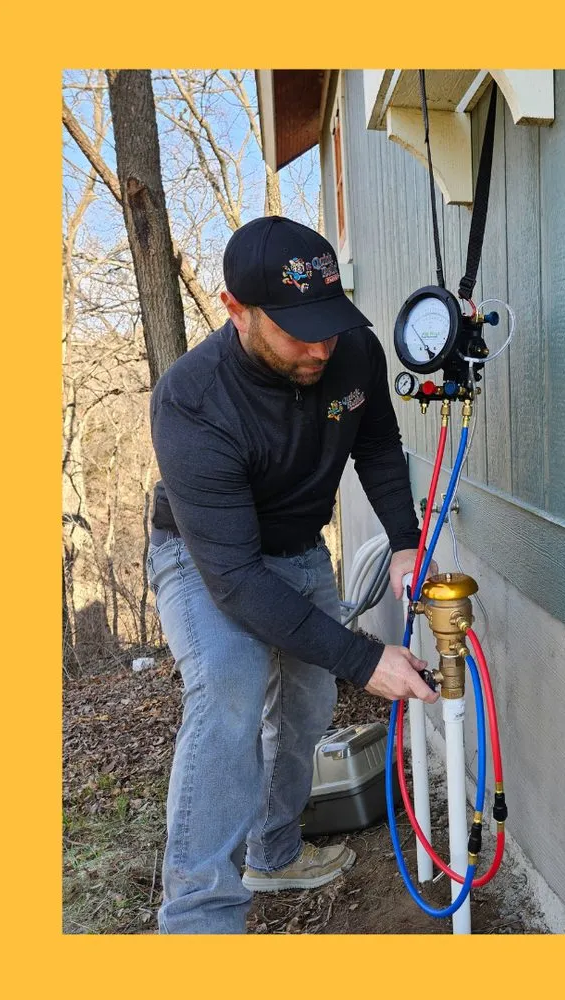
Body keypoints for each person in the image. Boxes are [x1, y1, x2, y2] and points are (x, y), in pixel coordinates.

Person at [146, 215, 439, 934]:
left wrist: (405, 542)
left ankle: (272, 854)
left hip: (298, 547)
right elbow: (239, 581)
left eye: (328, 323)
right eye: (295, 330)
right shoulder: (192, 399)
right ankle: (197, 922)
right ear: (235, 310)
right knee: (231, 689)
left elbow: (376, 443)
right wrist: (365, 657)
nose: (319, 346)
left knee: (308, 707)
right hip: (206, 557)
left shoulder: (351, 352)